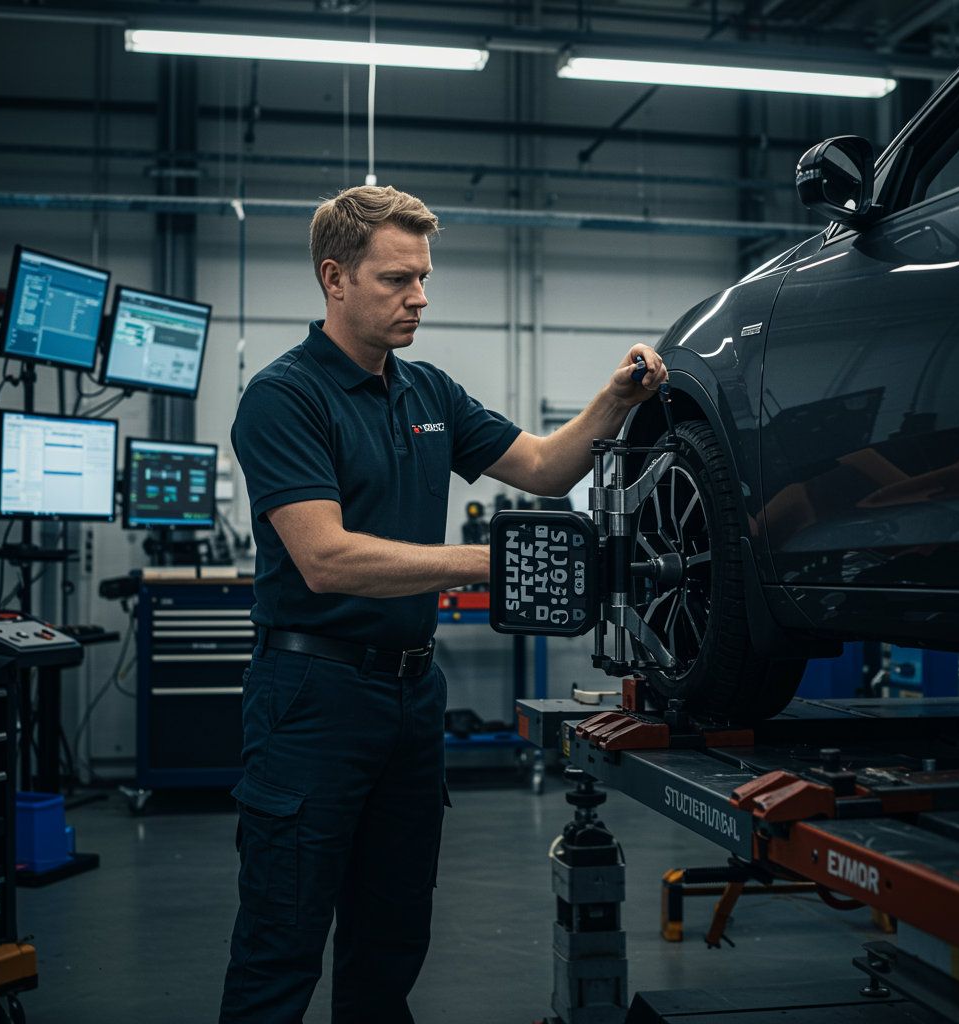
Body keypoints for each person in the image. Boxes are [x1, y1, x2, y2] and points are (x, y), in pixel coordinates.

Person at [220, 185, 667, 1024]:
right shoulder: (285, 397)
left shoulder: (428, 393)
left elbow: (541, 467)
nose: (419, 297)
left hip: (413, 698)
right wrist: (499, 561)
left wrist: (614, 402)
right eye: (396, 280)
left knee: (390, 943)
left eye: (423, 278)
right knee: (280, 946)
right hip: (312, 700)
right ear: (335, 278)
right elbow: (324, 558)